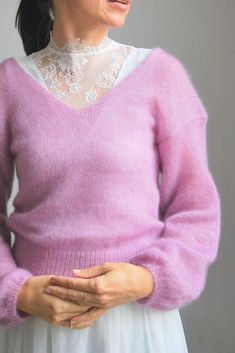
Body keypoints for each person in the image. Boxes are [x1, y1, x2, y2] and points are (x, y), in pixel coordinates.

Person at [0, 0, 221, 352]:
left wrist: (149, 278)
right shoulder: (8, 84)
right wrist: (17, 291)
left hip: (137, 324)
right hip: (39, 326)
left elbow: (197, 209)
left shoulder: (161, 74)